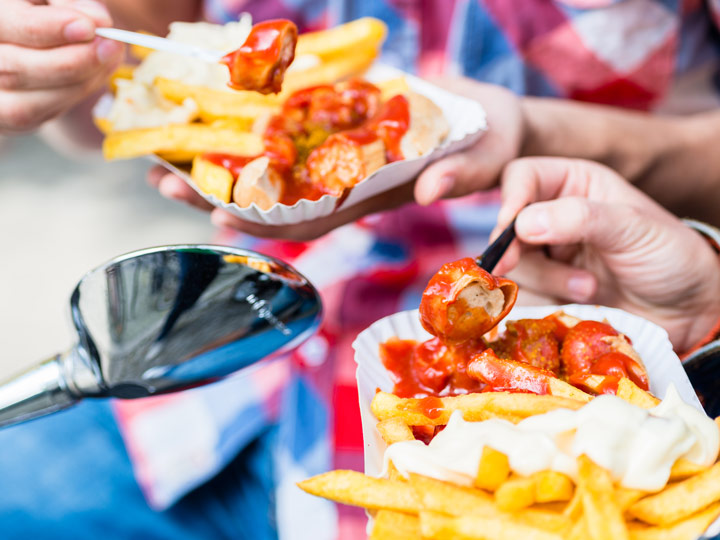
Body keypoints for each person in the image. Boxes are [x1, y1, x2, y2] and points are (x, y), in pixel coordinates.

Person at [4, 1, 720, 538]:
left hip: (580, 407)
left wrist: (540, 133)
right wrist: (50, 65)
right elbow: (131, 53)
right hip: (244, 370)